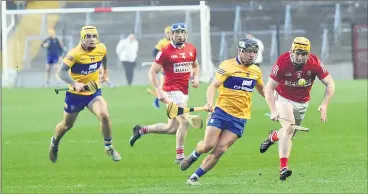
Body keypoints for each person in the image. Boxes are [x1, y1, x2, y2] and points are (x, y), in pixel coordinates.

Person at [180, 38, 265, 185]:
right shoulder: (227, 66)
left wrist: (276, 104)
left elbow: (262, 89)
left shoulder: (256, 71)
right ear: (240, 51)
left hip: (240, 117)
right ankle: (195, 154)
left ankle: (194, 177)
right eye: (249, 52)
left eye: (254, 52)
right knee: (207, 145)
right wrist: (210, 103)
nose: (252, 55)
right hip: (221, 112)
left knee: (220, 149)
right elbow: (213, 86)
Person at [259, 37, 335, 181]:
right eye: (298, 53)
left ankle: (274, 136)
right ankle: (283, 168)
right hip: (283, 98)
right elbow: (268, 88)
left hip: (302, 102)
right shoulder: (282, 62)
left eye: (304, 54)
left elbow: (330, 83)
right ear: (292, 51)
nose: (300, 57)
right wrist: (274, 110)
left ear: (308, 53)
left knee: (289, 133)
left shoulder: (314, 62)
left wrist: (325, 104)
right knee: (289, 128)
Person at [129, 23, 200, 164]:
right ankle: (180, 157)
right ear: (171, 35)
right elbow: (152, 72)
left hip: (184, 91)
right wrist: (159, 90)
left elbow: (196, 65)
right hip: (171, 92)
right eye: (176, 32)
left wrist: (196, 77)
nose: (180, 35)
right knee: (184, 121)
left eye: (182, 32)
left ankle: (141, 130)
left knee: (172, 128)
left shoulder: (191, 49)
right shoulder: (165, 51)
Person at [48, 26, 121, 163]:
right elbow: (61, 72)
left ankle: (109, 147)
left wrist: (105, 73)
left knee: (104, 115)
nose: (92, 39)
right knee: (67, 125)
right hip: (75, 95)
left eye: (94, 36)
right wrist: (74, 83)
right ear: (82, 38)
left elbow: (104, 58)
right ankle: (54, 142)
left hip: (93, 92)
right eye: (88, 36)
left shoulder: (101, 48)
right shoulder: (74, 53)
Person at [152, 26, 171, 108]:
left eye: (171, 32)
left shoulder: (177, 43)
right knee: (163, 86)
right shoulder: (163, 42)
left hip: (174, 69)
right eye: (168, 33)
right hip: (166, 68)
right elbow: (154, 52)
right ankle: (156, 100)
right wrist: (162, 60)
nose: (169, 34)